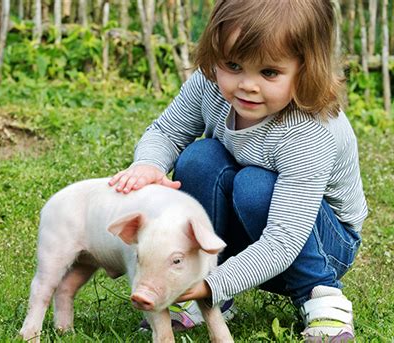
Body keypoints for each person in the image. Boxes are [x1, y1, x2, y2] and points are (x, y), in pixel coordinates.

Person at [109, 0, 368, 340]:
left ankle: (320, 295)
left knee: (254, 185)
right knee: (200, 157)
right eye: (233, 64)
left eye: (269, 73)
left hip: (318, 244)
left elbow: (283, 239)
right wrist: (148, 165)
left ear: (306, 69)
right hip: (249, 231)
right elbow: (167, 131)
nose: (247, 85)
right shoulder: (211, 86)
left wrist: (211, 285)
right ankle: (200, 280)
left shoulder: (309, 132)